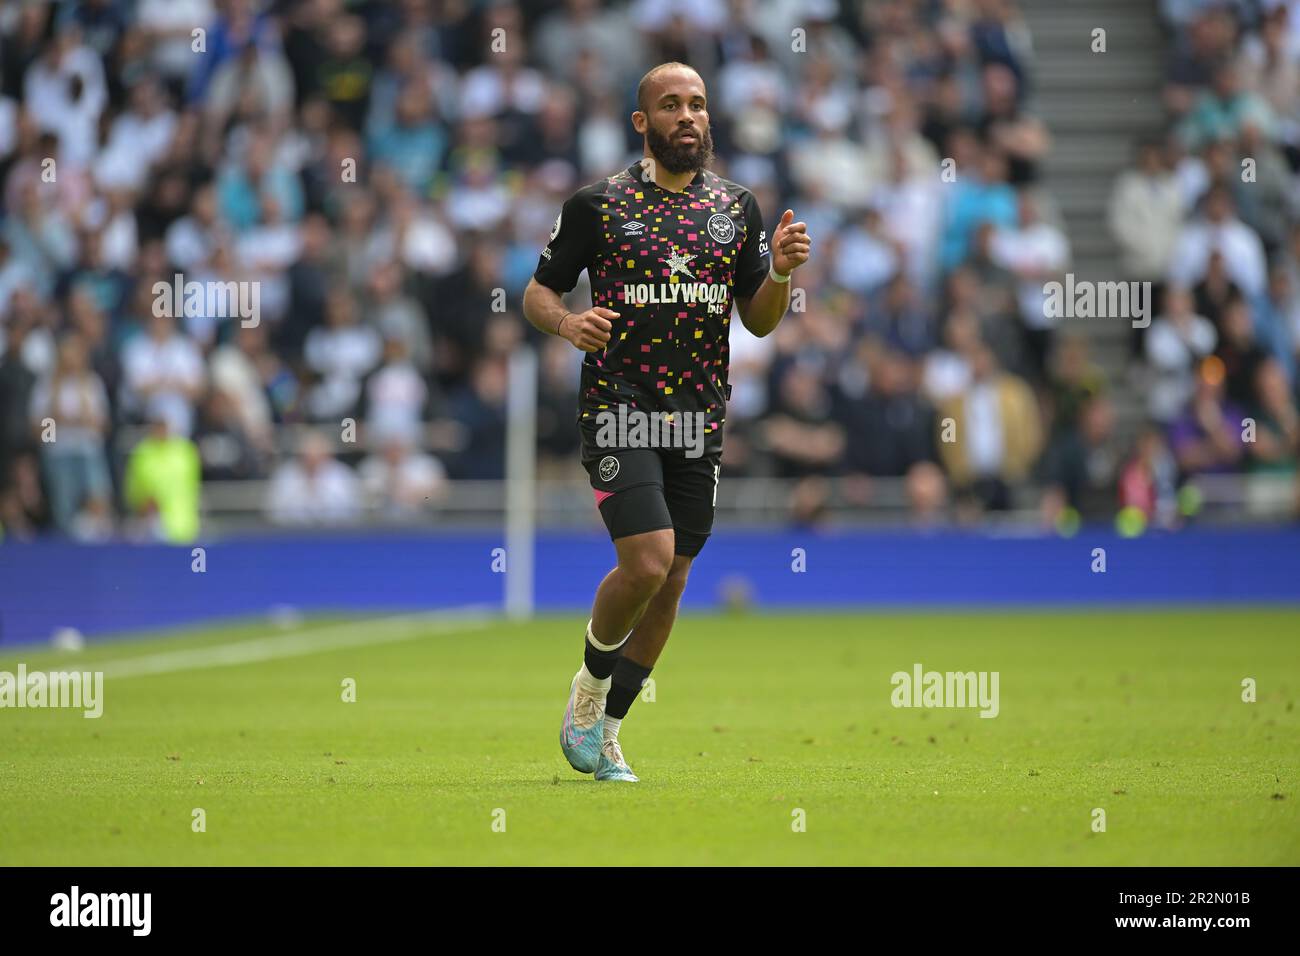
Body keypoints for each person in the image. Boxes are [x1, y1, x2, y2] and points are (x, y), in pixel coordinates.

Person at [522, 62, 811, 782]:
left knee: (674, 579)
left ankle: (610, 731)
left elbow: (761, 323)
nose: (689, 116)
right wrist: (566, 322)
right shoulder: (599, 206)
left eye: (699, 105)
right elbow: (537, 290)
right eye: (672, 105)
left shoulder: (737, 209)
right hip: (619, 406)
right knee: (646, 559)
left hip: (699, 416)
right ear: (641, 123)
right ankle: (585, 698)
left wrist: (776, 273)